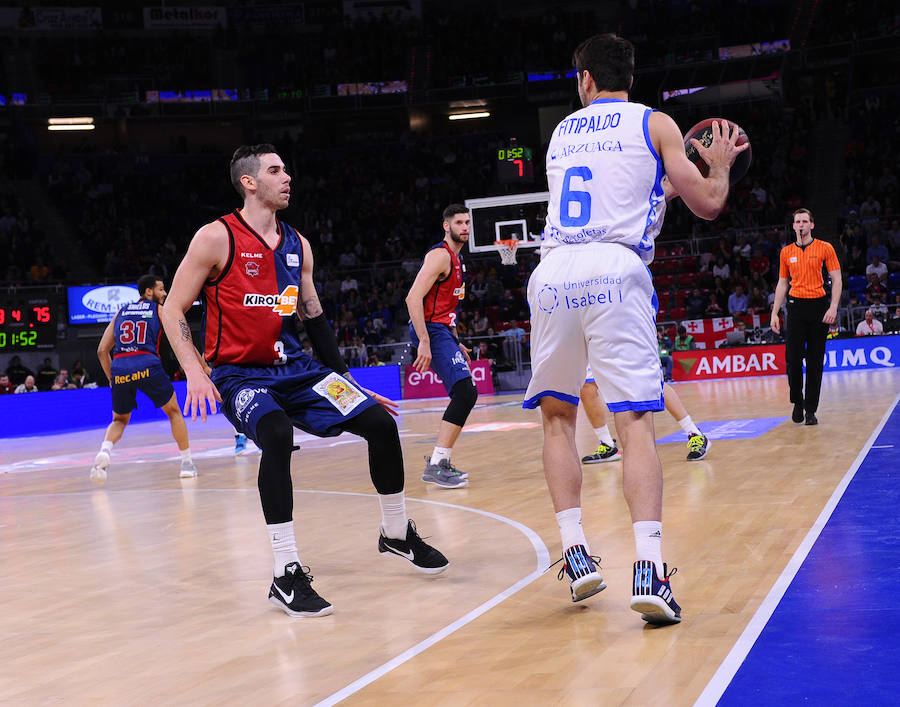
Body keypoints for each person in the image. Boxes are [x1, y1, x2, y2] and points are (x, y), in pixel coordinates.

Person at [160, 144, 448, 618]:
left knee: (377, 421)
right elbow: (172, 308)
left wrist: (347, 381)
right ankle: (285, 572)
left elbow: (314, 318)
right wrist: (193, 370)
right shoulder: (215, 238)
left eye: (287, 169)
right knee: (276, 433)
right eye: (275, 170)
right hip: (239, 375)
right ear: (249, 182)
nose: (286, 177)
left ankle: (395, 534)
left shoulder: (298, 244)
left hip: (296, 368)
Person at [523, 34, 746, 625]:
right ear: (628, 78)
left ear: (587, 81)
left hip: (553, 272)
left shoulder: (562, 135)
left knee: (558, 419)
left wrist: (665, 181)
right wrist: (716, 168)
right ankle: (648, 569)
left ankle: (575, 554)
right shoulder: (655, 124)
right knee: (634, 421)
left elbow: (625, 189)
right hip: (615, 271)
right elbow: (707, 204)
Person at [90, 274, 198, 484]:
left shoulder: (121, 312)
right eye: (161, 289)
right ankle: (186, 463)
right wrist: (200, 366)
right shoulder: (159, 310)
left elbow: (102, 350)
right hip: (147, 363)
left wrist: (112, 379)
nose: (164, 293)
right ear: (148, 292)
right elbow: (180, 339)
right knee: (174, 412)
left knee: (119, 419)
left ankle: (105, 451)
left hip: (120, 366)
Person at [405, 204, 478, 489]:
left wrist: (456, 341)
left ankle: (440, 461)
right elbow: (413, 299)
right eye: (459, 223)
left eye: (468, 223)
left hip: (442, 331)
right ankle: (437, 464)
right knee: (465, 392)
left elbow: (446, 308)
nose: (465, 228)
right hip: (430, 330)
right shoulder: (439, 256)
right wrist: (424, 340)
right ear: (446, 226)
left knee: (465, 392)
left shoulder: (460, 262)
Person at [770, 208, 842, 426]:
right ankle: (797, 401)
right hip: (796, 307)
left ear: (812, 225)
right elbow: (782, 283)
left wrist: (833, 307)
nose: (801, 225)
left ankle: (811, 409)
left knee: (814, 362)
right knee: (792, 360)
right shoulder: (785, 252)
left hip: (819, 308)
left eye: (804, 221)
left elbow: (837, 279)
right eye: (797, 221)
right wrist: (775, 312)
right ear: (793, 226)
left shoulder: (825, 248)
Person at [581, 372, 709, 464]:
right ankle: (607, 444)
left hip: (631, 336)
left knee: (651, 381)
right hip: (593, 336)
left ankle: (694, 433)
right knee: (587, 385)